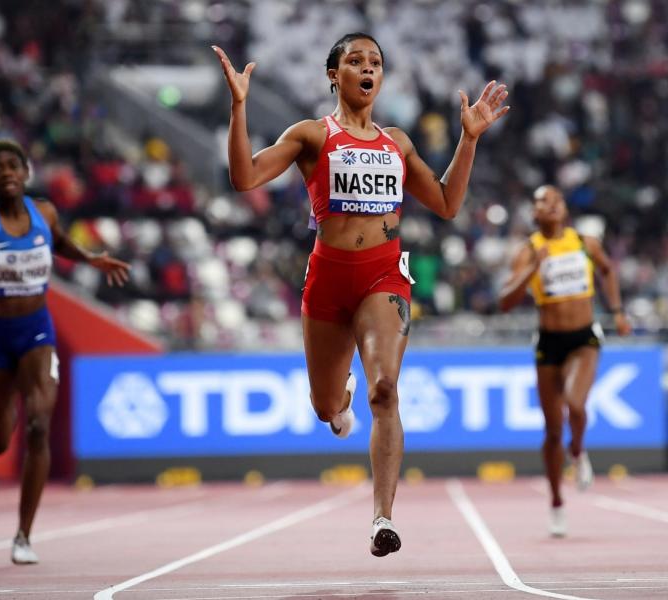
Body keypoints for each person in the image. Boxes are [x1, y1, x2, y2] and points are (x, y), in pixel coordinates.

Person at [213, 34, 508, 556]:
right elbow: (243, 177)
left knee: (386, 391)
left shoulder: (397, 142)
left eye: (375, 62)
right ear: (334, 75)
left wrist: (469, 141)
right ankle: (339, 400)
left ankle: (382, 518)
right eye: (355, 61)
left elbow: (445, 203)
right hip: (328, 278)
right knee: (326, 405)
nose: (367, 68)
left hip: (382, 276)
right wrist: (239, 106)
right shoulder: (310, 134)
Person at [0, 139, 130, 564]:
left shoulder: (43, 212)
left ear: (26, 172)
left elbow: (60, 242)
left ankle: (23, 536)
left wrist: (90, 259)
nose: (6, 173)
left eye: (13, 165)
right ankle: (3, 398)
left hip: (36, 332)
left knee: (38, 427)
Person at [498, 185, 631, 538]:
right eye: (542, 201)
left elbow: (608, 271)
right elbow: (505, 300)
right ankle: (556, 500)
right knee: (552, 429)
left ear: (565, 209)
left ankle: (578, 450)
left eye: (556, 199)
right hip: (548, 343)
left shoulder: (586, 243)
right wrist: (532, 270)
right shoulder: (527, 251)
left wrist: (617, 311)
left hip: (584, 337)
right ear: (534, 213)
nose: (550, 205)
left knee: (575, 402)